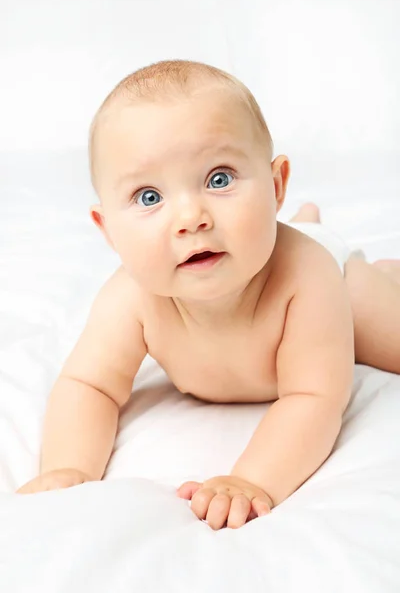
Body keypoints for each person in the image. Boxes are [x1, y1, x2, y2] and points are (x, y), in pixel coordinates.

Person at [17, 60, 400, 531]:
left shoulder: (310, 278)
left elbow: (314, 397)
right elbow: (88, 385)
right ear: (107, 229)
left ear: (275, 185)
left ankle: (374, 269)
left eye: (219, 179)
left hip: (335, 274)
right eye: (149, 197)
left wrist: (251, 479)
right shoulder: (130, 298)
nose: (190, 218)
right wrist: (68, 467)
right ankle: (308, 217)